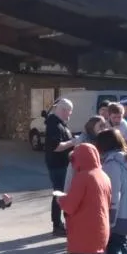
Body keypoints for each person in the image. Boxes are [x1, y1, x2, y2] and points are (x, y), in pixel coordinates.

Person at [44, 98, 77, 236]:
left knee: (61, 193)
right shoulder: (54, 125)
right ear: (63, 110)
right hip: (58, 165)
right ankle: (57, 225)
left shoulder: (59, 124)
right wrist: (74, 142)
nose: (70, 115)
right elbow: (56, 147)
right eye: (69, 112)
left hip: (62, 164)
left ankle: (60, 223)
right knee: (59, 194)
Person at [64, 116, 108, 190]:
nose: (103, 128)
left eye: (104, 125)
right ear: (92, 126)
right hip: (80, 172)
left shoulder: (101, 137)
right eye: (101, 126)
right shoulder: (83, 139)